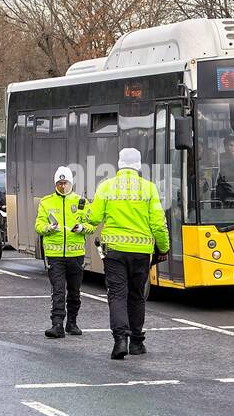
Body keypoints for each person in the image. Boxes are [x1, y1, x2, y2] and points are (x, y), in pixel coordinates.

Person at [86, 148, 170, 360]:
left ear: (119, 164)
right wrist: (164, 248)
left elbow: (94, 218)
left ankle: (120, 340)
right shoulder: (149, 189)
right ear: (138, 165)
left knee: (116, 294)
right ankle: (136, 343)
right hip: (141, 252)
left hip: (114, 252)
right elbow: (158, 224)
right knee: (136, 295)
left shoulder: (106, 187)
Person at [34, 166, 93, 339]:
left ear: (71, 183)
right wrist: (49, 228)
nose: (62, 186)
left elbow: (91, 225)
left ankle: (72, 323)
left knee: (75, 291)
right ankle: (57, 324)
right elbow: (38, 226)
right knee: (58, 290)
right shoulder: (46, 202)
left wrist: (82, 227)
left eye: (65, 183)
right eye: (59, 183)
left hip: (76, 255)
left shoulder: (81, 202)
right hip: (55, 256)